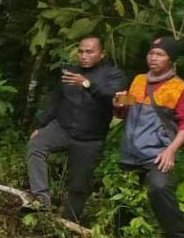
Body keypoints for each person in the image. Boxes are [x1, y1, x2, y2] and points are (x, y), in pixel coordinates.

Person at [26, 36, 125, 222]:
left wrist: (87, 84)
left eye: (89, 52)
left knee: (78, 186)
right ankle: (41, 199)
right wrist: (40, 126)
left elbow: (115, 99)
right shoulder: (69, 72)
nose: (84, 55)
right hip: (62, 128)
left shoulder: (113, 75)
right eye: (81, 51)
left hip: (90, 138)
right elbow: (54, 101)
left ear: (101, 54)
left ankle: (67, 227)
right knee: (36, 145)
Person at [114, 37, 184, 238]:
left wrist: (171, 150)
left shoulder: (180, 88)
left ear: (170, 59)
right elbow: (126, 110)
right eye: (151, 53)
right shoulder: (139, 80)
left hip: (157, 152)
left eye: (160, 54)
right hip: (130, 150)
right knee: (123, 195)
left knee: (159, 188)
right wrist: (118, 103)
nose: (153, 58)